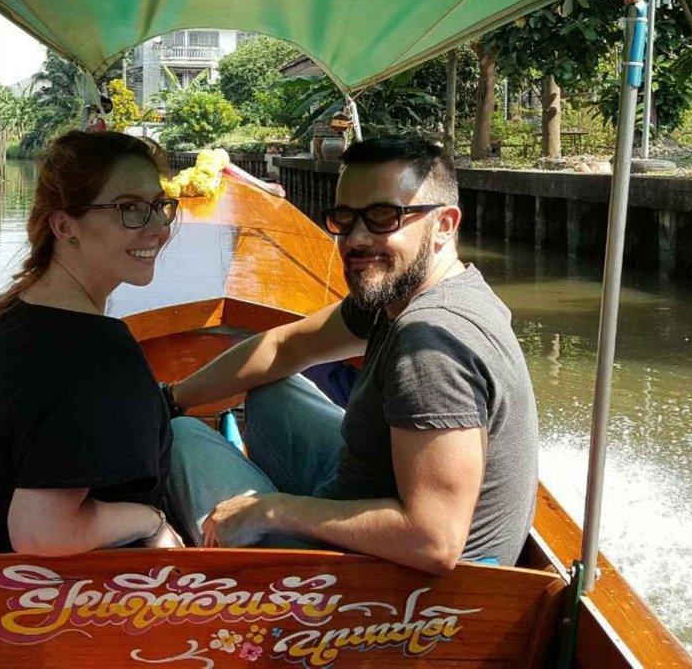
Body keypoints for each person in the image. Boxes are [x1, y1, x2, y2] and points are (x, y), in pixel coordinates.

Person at [163, 135, 538, 572]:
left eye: (383, 217)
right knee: (269, 387)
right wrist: (172, 397)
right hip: (366, 499)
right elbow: (286, 347)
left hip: (400, 590)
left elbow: (433, 541)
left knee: (181, 436)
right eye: (345, 218)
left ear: (444, 226)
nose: (356, 239)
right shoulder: (407, 296)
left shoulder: (429, 344)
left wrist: (273, 509)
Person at [0, 131, 185, 555]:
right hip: (27, 603)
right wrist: (152, 521)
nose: (158, 228)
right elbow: (43, 533)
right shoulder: (98, 354)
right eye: (129, 208)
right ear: (64, 225)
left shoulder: (11, 315)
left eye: (158, 206)